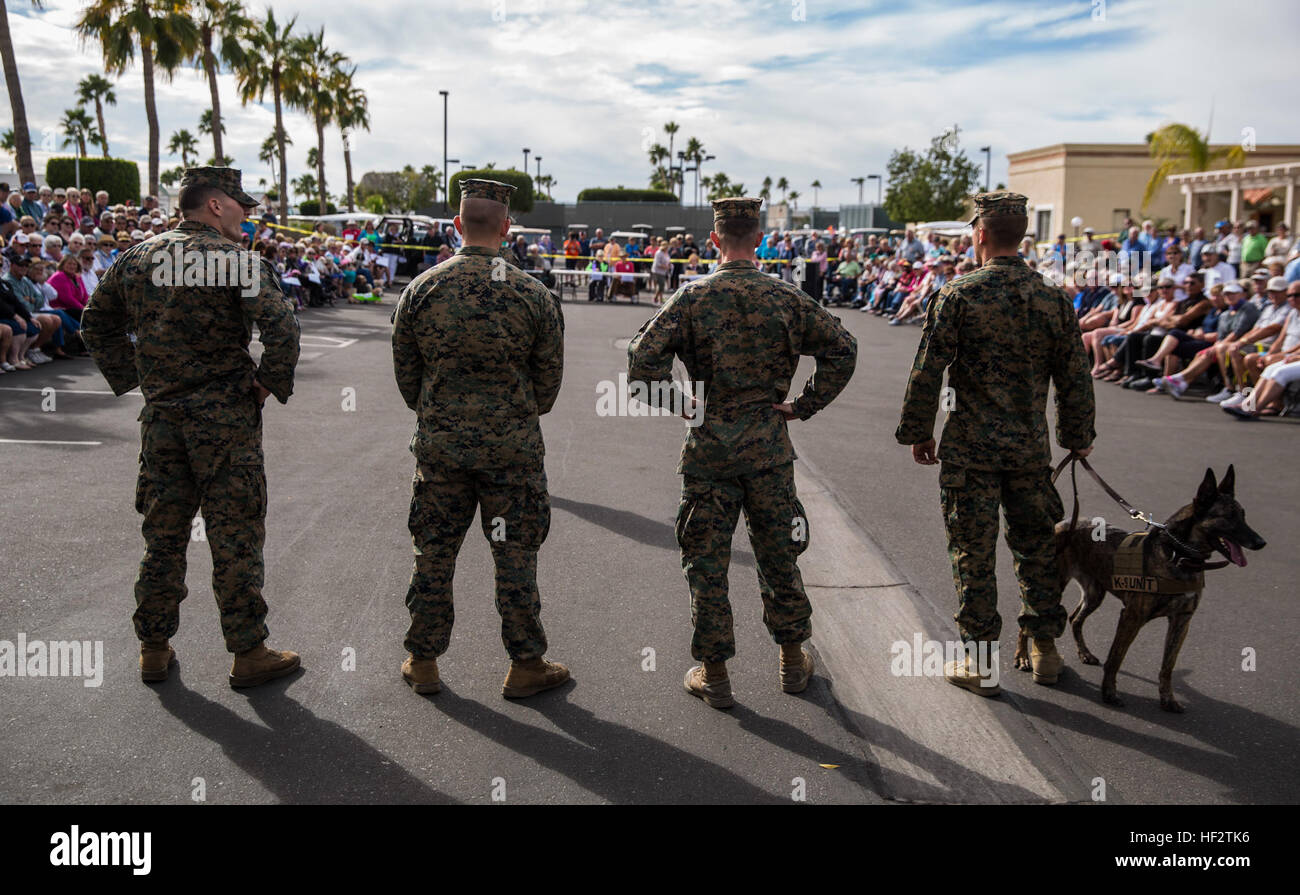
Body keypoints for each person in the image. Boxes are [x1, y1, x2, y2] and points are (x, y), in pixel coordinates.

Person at [627, 196, 857, 710]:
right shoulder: (788, 299)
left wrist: (679, 401)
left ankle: (715, 675)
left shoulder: (691, 298)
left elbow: (641, 366)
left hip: (709, 449)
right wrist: (804, 404)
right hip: (769, 448)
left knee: (706, 563)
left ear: (714, 239)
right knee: (779, 557)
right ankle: (793, 660)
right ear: (759, 238)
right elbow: (844, 348)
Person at [80, 166, 301, 688]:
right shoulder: (237, 262)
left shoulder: (137, 257)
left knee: (163, 535)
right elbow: (284, 329)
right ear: (216, 205)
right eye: (241, 205)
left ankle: (153, 647)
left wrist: (139, 379)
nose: (247, 215)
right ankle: (248, 653)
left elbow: (95, 322)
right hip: (225, 423)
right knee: (235, 537)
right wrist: (266, 383)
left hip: (163, 422)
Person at [895, 191, 1096, 695]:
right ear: (1022, 234)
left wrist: (919, 431)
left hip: (970, 451)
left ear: (980, 234)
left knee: (972, 556)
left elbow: (927, 371)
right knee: (1037, 552)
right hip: (1030, 451)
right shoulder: (1054, 298)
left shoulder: (958, 294)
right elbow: (1076, 377)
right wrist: (1078, 437)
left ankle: (981, 663)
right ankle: (1046, 651)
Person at [391, 179, 568, 699]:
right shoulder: (534, 293)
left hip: (441, 449)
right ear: (507, 228)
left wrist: (440, 410)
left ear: (457, 226)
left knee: (433, 553)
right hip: (511, 452)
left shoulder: (421, 289)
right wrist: (509, 413)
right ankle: (525, 664)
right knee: (515, 557)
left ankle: (423, 661)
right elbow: (548, 386)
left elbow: (407, 377)